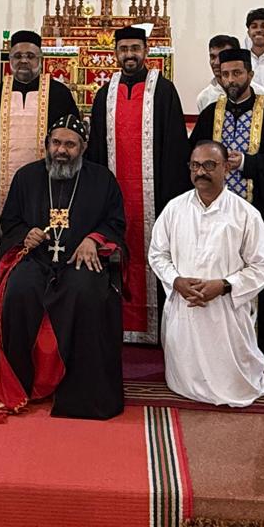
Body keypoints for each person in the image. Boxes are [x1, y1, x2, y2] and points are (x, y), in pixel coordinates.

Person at [0, 115, 127, 423]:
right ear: (47, 145)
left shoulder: (102, 180)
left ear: (83, 147)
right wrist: (26, 234)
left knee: (84, 293)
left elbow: (115, 223)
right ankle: (22, 384)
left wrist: (93, 238)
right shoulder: (27, 177)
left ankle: (81, 395)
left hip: (81, 260)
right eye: (56, 143)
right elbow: (10, 223)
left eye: (70, 144)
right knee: (19, 290)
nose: (62, 150)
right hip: (38, 259)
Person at [149, 140, 264, 407]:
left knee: (235, 385)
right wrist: (176, 281)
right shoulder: (174, 208)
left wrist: (225, 285)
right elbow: (157, 254)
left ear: (226, 168)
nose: (201, 172)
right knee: (182, 380)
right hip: (184, 307)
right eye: (195, 165)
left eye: (209, 165)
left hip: (225, 312)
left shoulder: (245, 214)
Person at [190, 48, 264, 362]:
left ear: (250, 74)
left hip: (259, 213)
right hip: (214, 215)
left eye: (237, 73)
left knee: (260, 275)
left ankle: (263, 345)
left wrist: (248, 163)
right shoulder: (211, 114)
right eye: (225, 74)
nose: (231, 80)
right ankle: (215, 344)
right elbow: (193, 158)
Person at [86, 26, 190, 343]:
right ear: (115, 53)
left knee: (157, 250)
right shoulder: (105, 94)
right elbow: (96, 153)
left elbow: (174, 147)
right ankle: (115, 325)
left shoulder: (164, 90)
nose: (129, 54)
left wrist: (172, 198)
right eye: (124, 49)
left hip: (156, 196)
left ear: (146, 51)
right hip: (114, 198)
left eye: (135, 48)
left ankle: (158, 329)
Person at [0, 30, 77, 213]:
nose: (24, 61)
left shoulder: (59, 94)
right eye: (18, 56)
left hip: (51, 184)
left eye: (30, 56)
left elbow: (74, 142)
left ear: (41, 59)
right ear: (10, 59)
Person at [195, 34, 264, 112]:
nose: (216, 63)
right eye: (212, 57)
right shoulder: (204, 98)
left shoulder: (260, 93)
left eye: (222, 56)